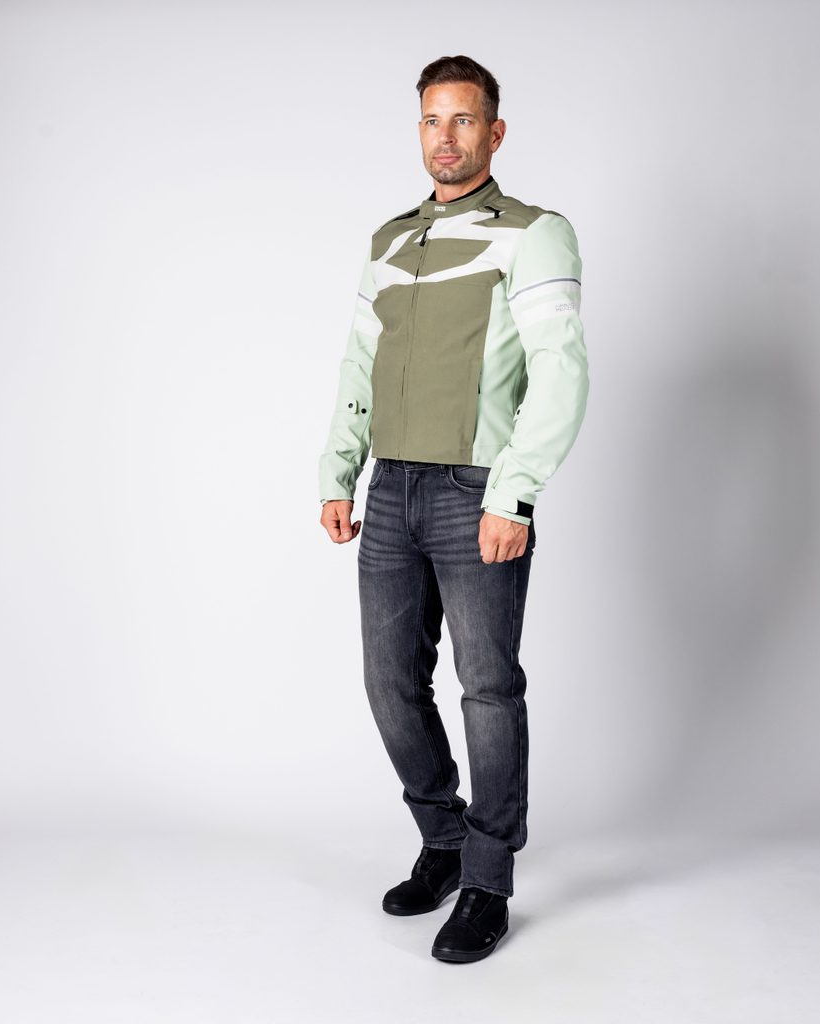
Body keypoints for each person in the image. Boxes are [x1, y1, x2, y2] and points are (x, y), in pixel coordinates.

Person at [317, 54, 589, 962]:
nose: (447, 137)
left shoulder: (536, 233)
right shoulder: (389, 240)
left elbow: (561, 372)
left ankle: (487, 878)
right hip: (390, 488)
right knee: (389, 682)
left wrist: (516, 492)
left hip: (477, 493)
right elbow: (359, 365)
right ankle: (442, 838)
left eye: (465, 120)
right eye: (433, 120)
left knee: (487, 687)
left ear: (494, 132)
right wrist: (338, 472)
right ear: (420, 130)